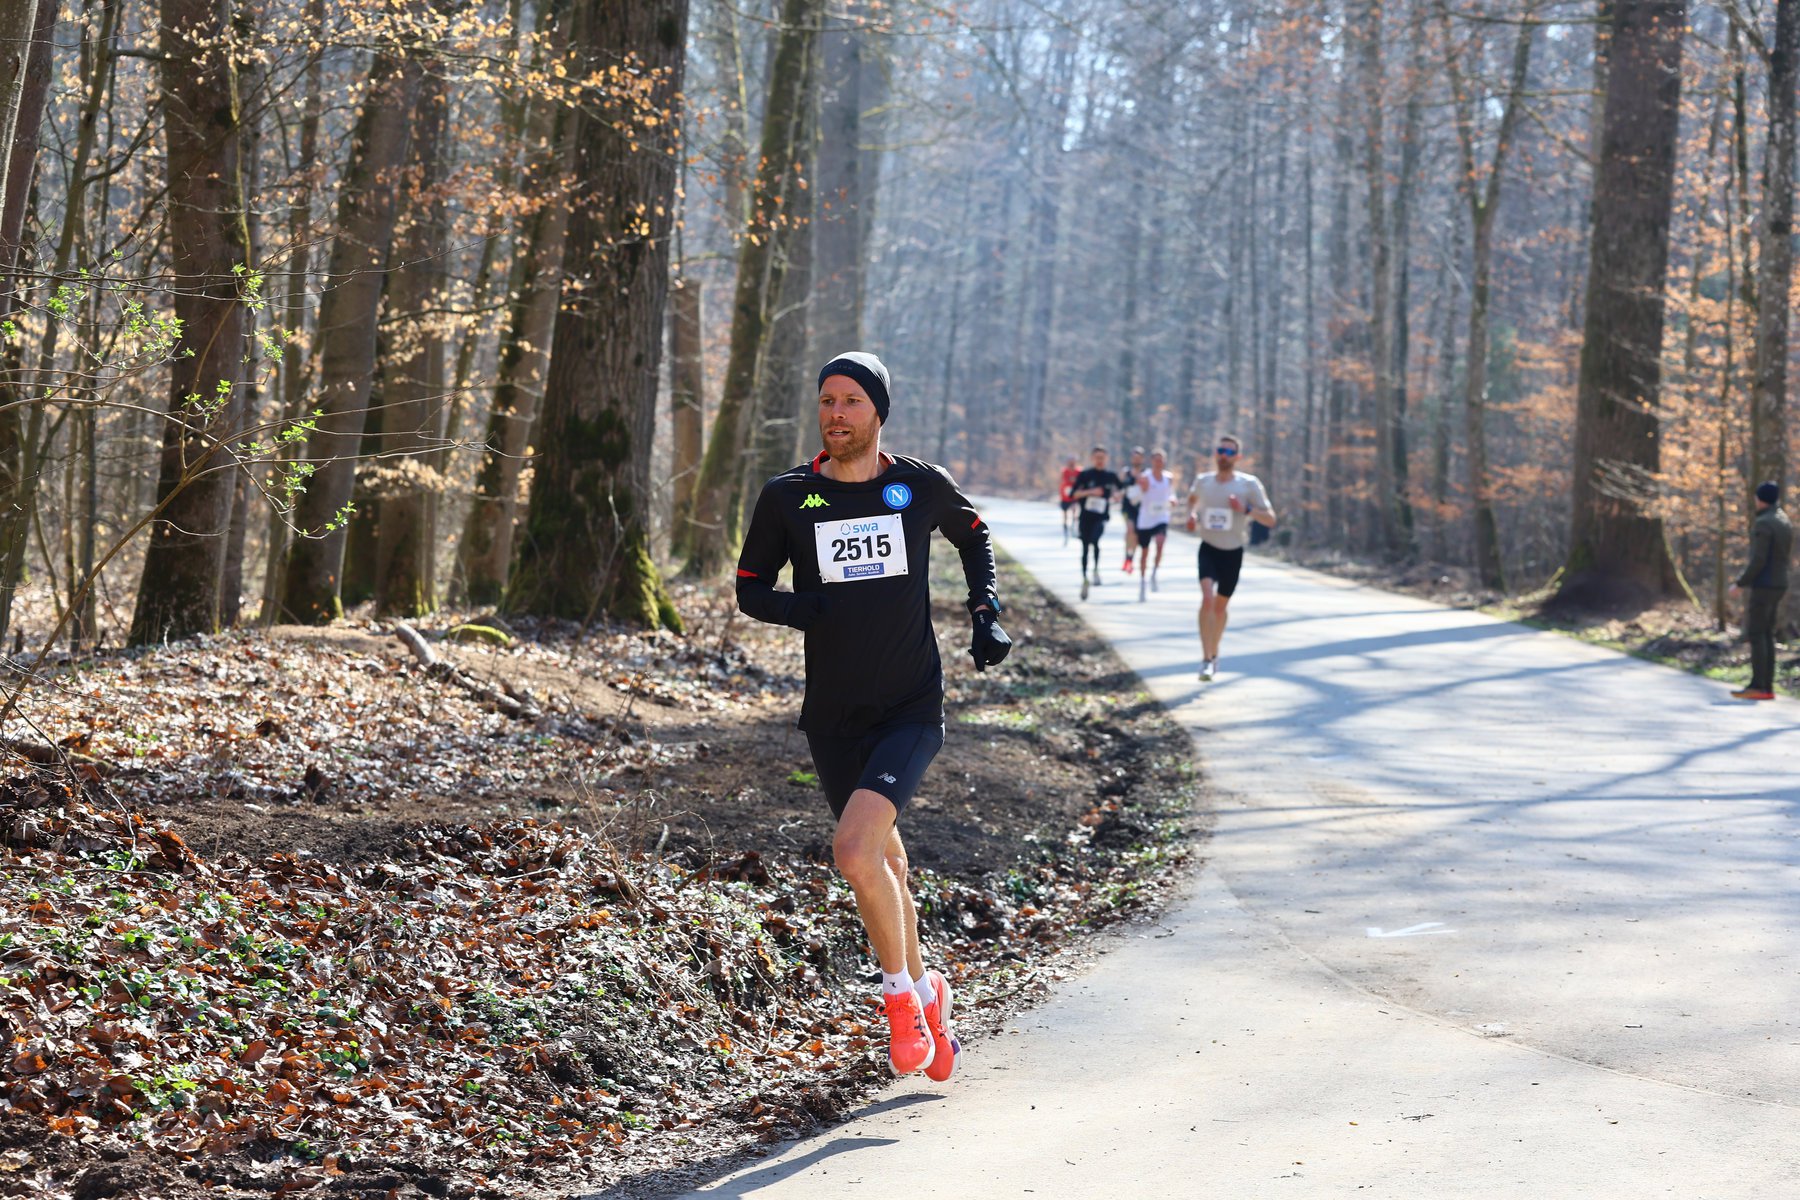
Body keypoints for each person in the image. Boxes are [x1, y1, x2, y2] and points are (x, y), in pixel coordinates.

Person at [736, 351, 1013, 1081]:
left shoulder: (915, 485)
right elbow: (750, 587)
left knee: (855, 853)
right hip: (834, 712)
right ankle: (930, 992)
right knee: (885, 862)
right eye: (827, 399)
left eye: (851, 400)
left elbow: (974, 533)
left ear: (878, 412)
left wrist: (984, 612)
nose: (836, 413)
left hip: (910, 706)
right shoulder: (789, 497)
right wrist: (805, 608)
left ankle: (899, 1002)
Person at [1184, 435, 1275, 681]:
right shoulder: (1203, 482)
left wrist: (1246, 509)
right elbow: (1191, 501)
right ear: (1216, 453)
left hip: (1233, 551)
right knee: (1207, 599)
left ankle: (1214, 652)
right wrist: (1191, 516)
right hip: (1208, 547)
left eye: (1230, 452)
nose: (1224, 455)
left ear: (1237, 457)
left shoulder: (1249, 484)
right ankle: (1205, 659)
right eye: (1221, 450)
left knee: (1220, 607)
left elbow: (1270, 518)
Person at [1728, 481, 1791, 701]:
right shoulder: (1783, 519)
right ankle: (1767, 687)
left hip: (1764, 585)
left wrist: (1740, 583)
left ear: (1760, 499)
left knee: (1757, 633)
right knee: (1767, 634)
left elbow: (1759, 559)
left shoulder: (1764, 523)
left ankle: (1758, 685)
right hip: (1780, 584)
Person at [1070, 446, 1122, 600]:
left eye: (1102, 458)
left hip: (1101, 517)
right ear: (1092, 458)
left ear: (1107, 459)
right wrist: (1090, 492)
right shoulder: (1085, 475)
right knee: (1085, 546)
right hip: (1085, 517)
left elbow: (1122, 490)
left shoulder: (1111, 476)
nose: (1100, 461)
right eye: (1097, 457)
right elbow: (1073, 494)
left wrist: (1117, 495)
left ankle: (1096, 570)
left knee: (1095, 540)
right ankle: (1085, 578)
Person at [1133, 448, 1177, 601]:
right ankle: (1142, 581)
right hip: (1146, 519)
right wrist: (1142, 487)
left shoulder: (1168, 478)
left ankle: (1154, 573)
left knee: (1160, 542)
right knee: (1144, 553)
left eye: (1161, 460)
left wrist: (1173, 500)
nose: (1159, 463)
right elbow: (1137, 496)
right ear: (1152, 461)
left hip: (1161, 517)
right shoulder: (1145, 477)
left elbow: (1171, 493)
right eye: (1156, 460)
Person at [1119, 446, 1146, 573]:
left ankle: (1130, 558)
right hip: (1127, 506)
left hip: (1141, 507)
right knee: (1130, 529)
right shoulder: (1126, 472)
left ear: (1142, 459)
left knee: (1135, 534)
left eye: (1139, 458)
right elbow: (1120, 487)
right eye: (1134, 458)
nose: (1136, 460)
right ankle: (1126, 556)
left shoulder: (1146, 473)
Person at [1058, 456, 1080, 543]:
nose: (1071, 464)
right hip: (1065, 497)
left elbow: (1080, 481)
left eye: (1073, 462)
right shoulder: (1064, 471)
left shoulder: (1079, 471)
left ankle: (1073, 526)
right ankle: (1065, 530)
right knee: (1065, 515)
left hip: (1075, 496)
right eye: (1070, 462)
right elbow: (1062, 481)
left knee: (1075, 510)